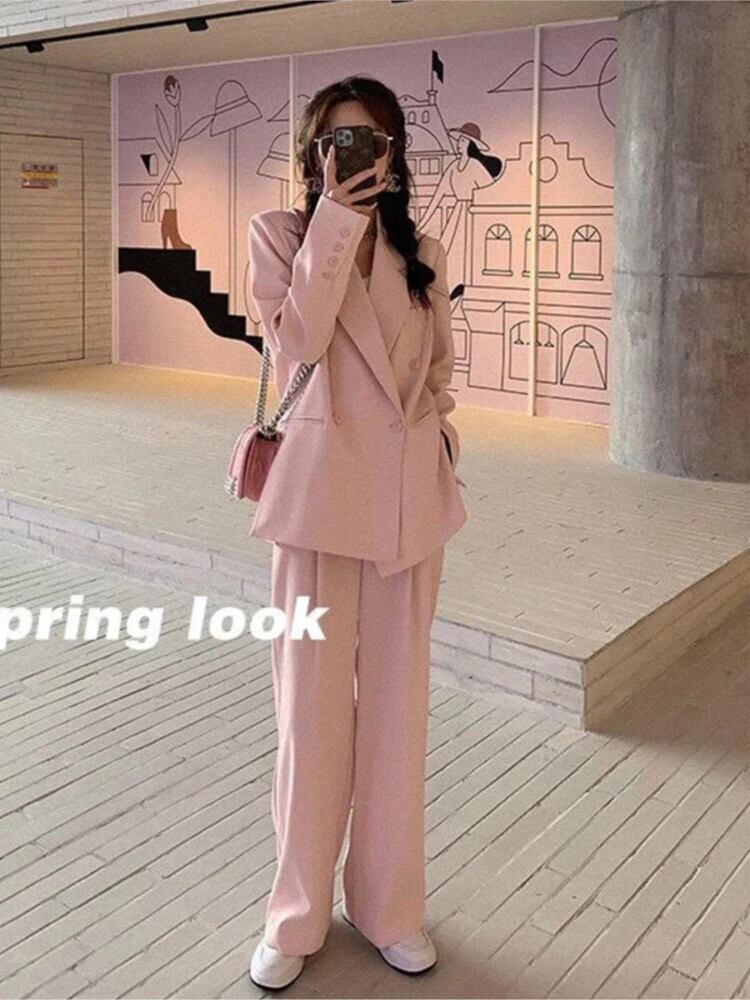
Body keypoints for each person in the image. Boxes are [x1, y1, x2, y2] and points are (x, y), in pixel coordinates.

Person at [246, 75, 467, 990]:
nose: (353, 153)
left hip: (408, 508)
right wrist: (336, 222)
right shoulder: (280, 235)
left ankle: (388, 907)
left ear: (395, 152)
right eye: (336, 140)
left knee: (396, 720)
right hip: (317, 505)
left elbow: (439, 370)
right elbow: (296, 341)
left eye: (369, 139)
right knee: (310, 719)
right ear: (312, 155)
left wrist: (442, 444)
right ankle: (296, 915)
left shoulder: (422, 250)